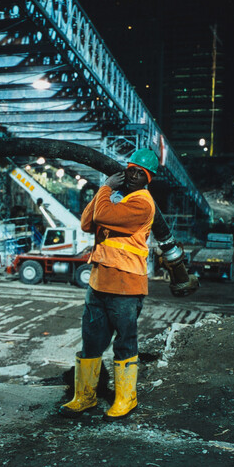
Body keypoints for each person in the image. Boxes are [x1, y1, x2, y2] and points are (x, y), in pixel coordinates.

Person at [59, 148, 158, 421]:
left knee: (125, 343)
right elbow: (86, 222)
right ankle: (85, 396)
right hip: (99, 282)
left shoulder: (142, 203)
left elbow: (102, 217)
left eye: (141, 173)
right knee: (91, 342)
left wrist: (105, 188)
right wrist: (106, 192)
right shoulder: (115, 199)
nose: (134, 176)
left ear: (148, 179)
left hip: (126, 285)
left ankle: (126, 399)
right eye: (131, 170)